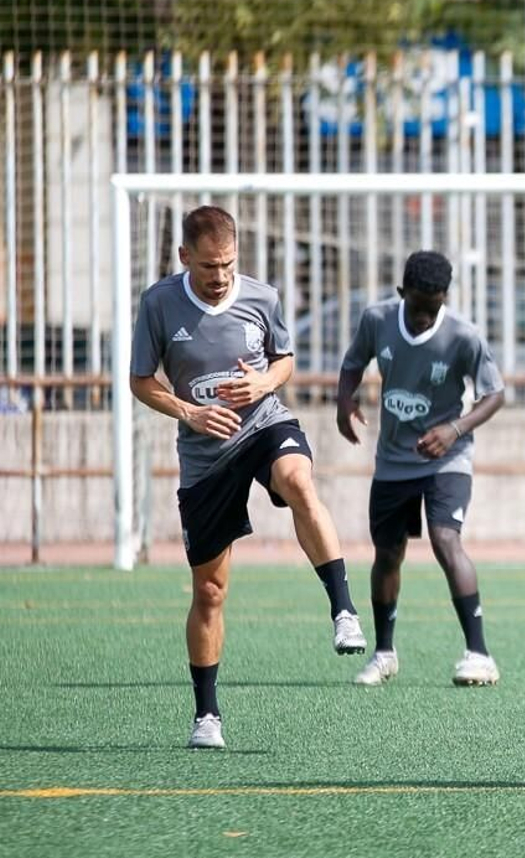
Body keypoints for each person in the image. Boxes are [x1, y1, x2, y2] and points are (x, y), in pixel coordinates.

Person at [130, 206, 366, 750]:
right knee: (210, 591)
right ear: (185, 257)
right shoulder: (159, 304)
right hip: (205, 457)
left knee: (298, 480)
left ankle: (343, 609)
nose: (220, 277)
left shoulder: (263, 297)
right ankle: (206, 715)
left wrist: (264, 382)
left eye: (229, 265)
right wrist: (188, 412)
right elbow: (141, 380)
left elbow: (285, 360)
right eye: (210, 266)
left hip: (264, 424)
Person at [336, 251, 507, 688]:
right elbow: (354, 362)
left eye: (431, 309)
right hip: (394, 460)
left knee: (446, 539)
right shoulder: (377, 320)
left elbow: (494, 394)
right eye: (415, 308)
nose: (421, 318)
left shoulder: (463, 336)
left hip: (446, 460)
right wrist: (345, 401)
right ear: (401, 295)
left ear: (444, 298)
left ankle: (479, 653)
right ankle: (384, 653)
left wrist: (455, 428)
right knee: (388, 552)